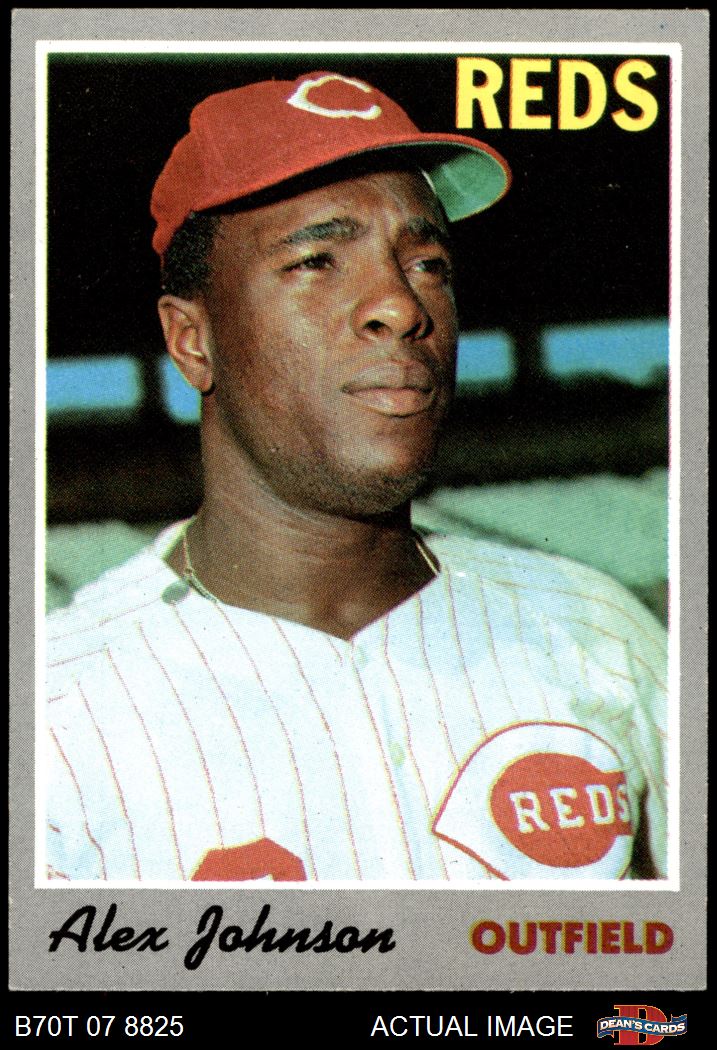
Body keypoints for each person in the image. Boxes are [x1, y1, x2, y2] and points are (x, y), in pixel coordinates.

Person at [45, 71, 667, 883]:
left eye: (428, 262)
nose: (400, 305)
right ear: (193, 341)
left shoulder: (598, 634)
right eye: (316, 261)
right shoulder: (59, 708)